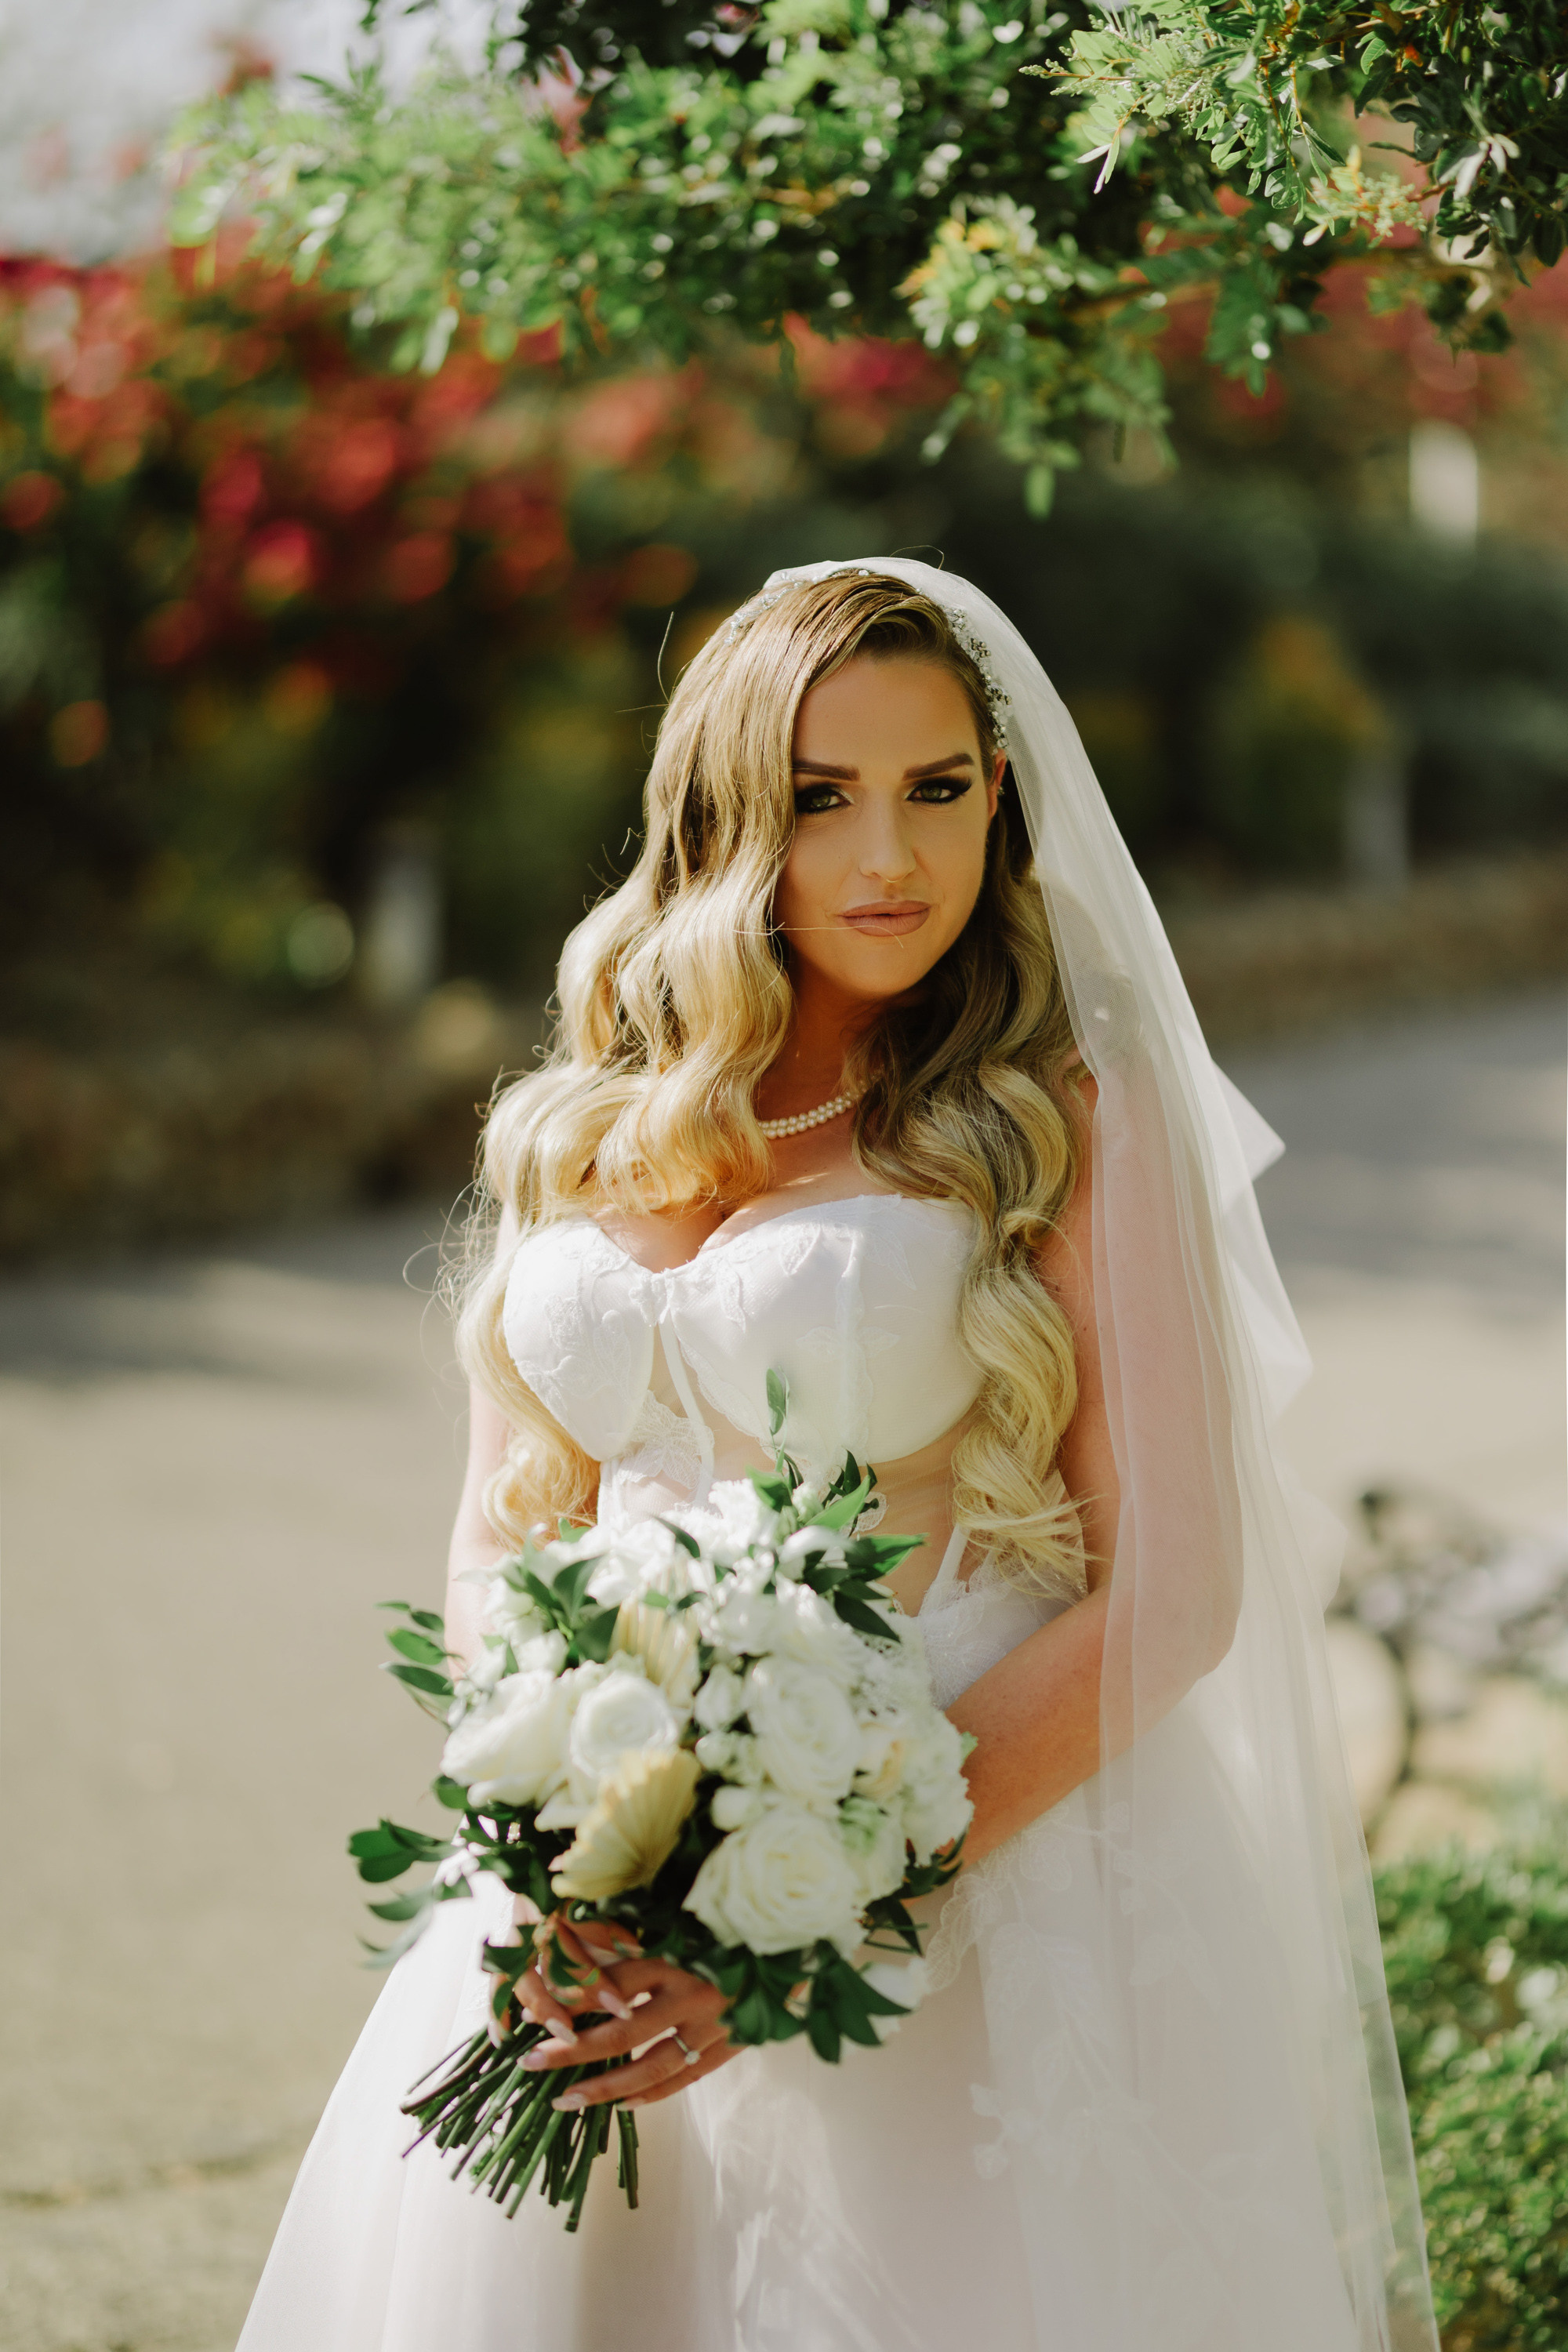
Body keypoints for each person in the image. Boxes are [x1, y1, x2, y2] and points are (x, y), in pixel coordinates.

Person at [237, 561, 1436, 2351]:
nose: (892, 855)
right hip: (595, 1912)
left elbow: (1173, 1599)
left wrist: (797, 1917)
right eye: (821, 797)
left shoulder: (1057, 1119)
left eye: (937, 789)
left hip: (959, 1896)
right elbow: (500, 1537)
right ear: (724, 816)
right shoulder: (592, 1118)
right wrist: (562, 1837)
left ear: (999, 796)